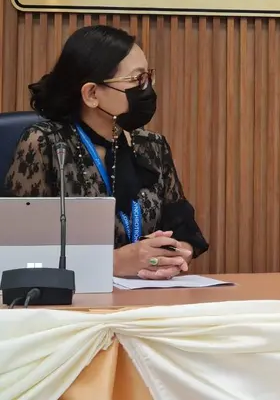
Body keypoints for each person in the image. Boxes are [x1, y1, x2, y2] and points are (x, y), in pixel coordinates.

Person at [4, 25, 208, 280]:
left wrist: (176, 253)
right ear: (91, 94)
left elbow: (184, 228)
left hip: (148, 294)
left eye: (147, 77)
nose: (146, 89)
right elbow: (19, 251)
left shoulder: (152, 146)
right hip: (76, 298)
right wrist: (112, 263)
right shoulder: (46, 144)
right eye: (136, 80)